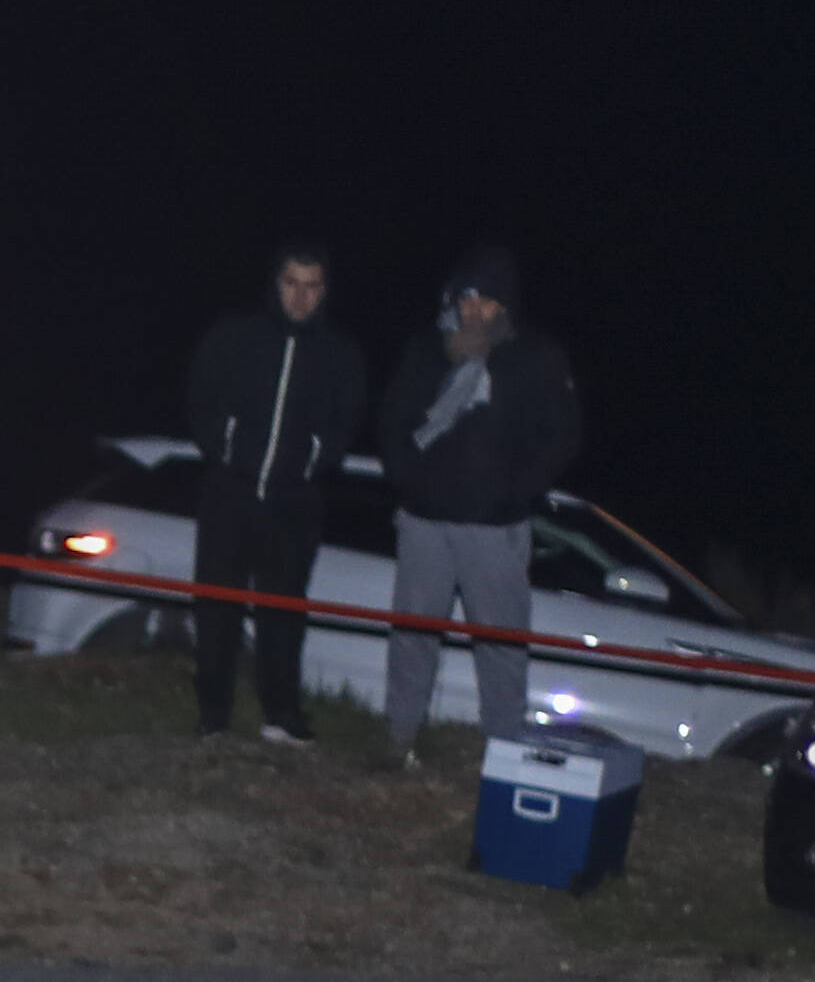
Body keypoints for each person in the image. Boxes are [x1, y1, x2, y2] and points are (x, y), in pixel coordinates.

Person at [377, 242, 582, 766]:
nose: (475, 310)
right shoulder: (427, 350)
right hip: (425, 523)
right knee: (412, 639)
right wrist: (408, 479)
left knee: (502, 648)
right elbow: (393, 421)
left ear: (505, 307)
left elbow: (561, 436)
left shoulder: (535, 358)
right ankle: (400, 742)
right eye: (467, 298)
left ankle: (505, 756)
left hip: (494, 529)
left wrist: (516, 491)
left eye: (487, 301)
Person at [183, 239, 368, 744]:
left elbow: (344, 426)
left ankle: (281, 714)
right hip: (228, 493)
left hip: (295, 503)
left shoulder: (340, 353)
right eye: (292, 283)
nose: (301, 297)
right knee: (216, 606)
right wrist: (226, 449)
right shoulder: (235, 335)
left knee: (283, 611)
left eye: (312, 286)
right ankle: (213, 713)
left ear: (324, 291)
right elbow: (201, 398)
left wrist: (306, 461)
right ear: (275, 283)